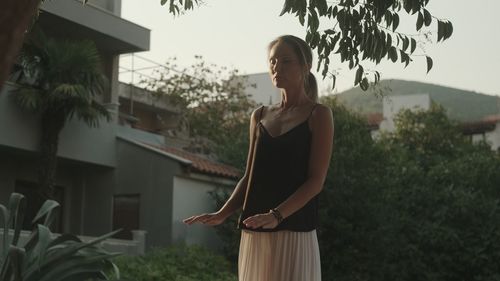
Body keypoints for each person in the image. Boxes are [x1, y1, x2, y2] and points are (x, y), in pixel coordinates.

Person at [184, 34, 334, 281]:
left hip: (295, 232)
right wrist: (223, 213)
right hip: (255, 231)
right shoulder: (259, 116)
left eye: (286, 61)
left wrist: (276, 215)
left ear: (305, 66)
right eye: (273, 61)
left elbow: (315, 181)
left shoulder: (319, 115)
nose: (277, 67)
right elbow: (250, 175)